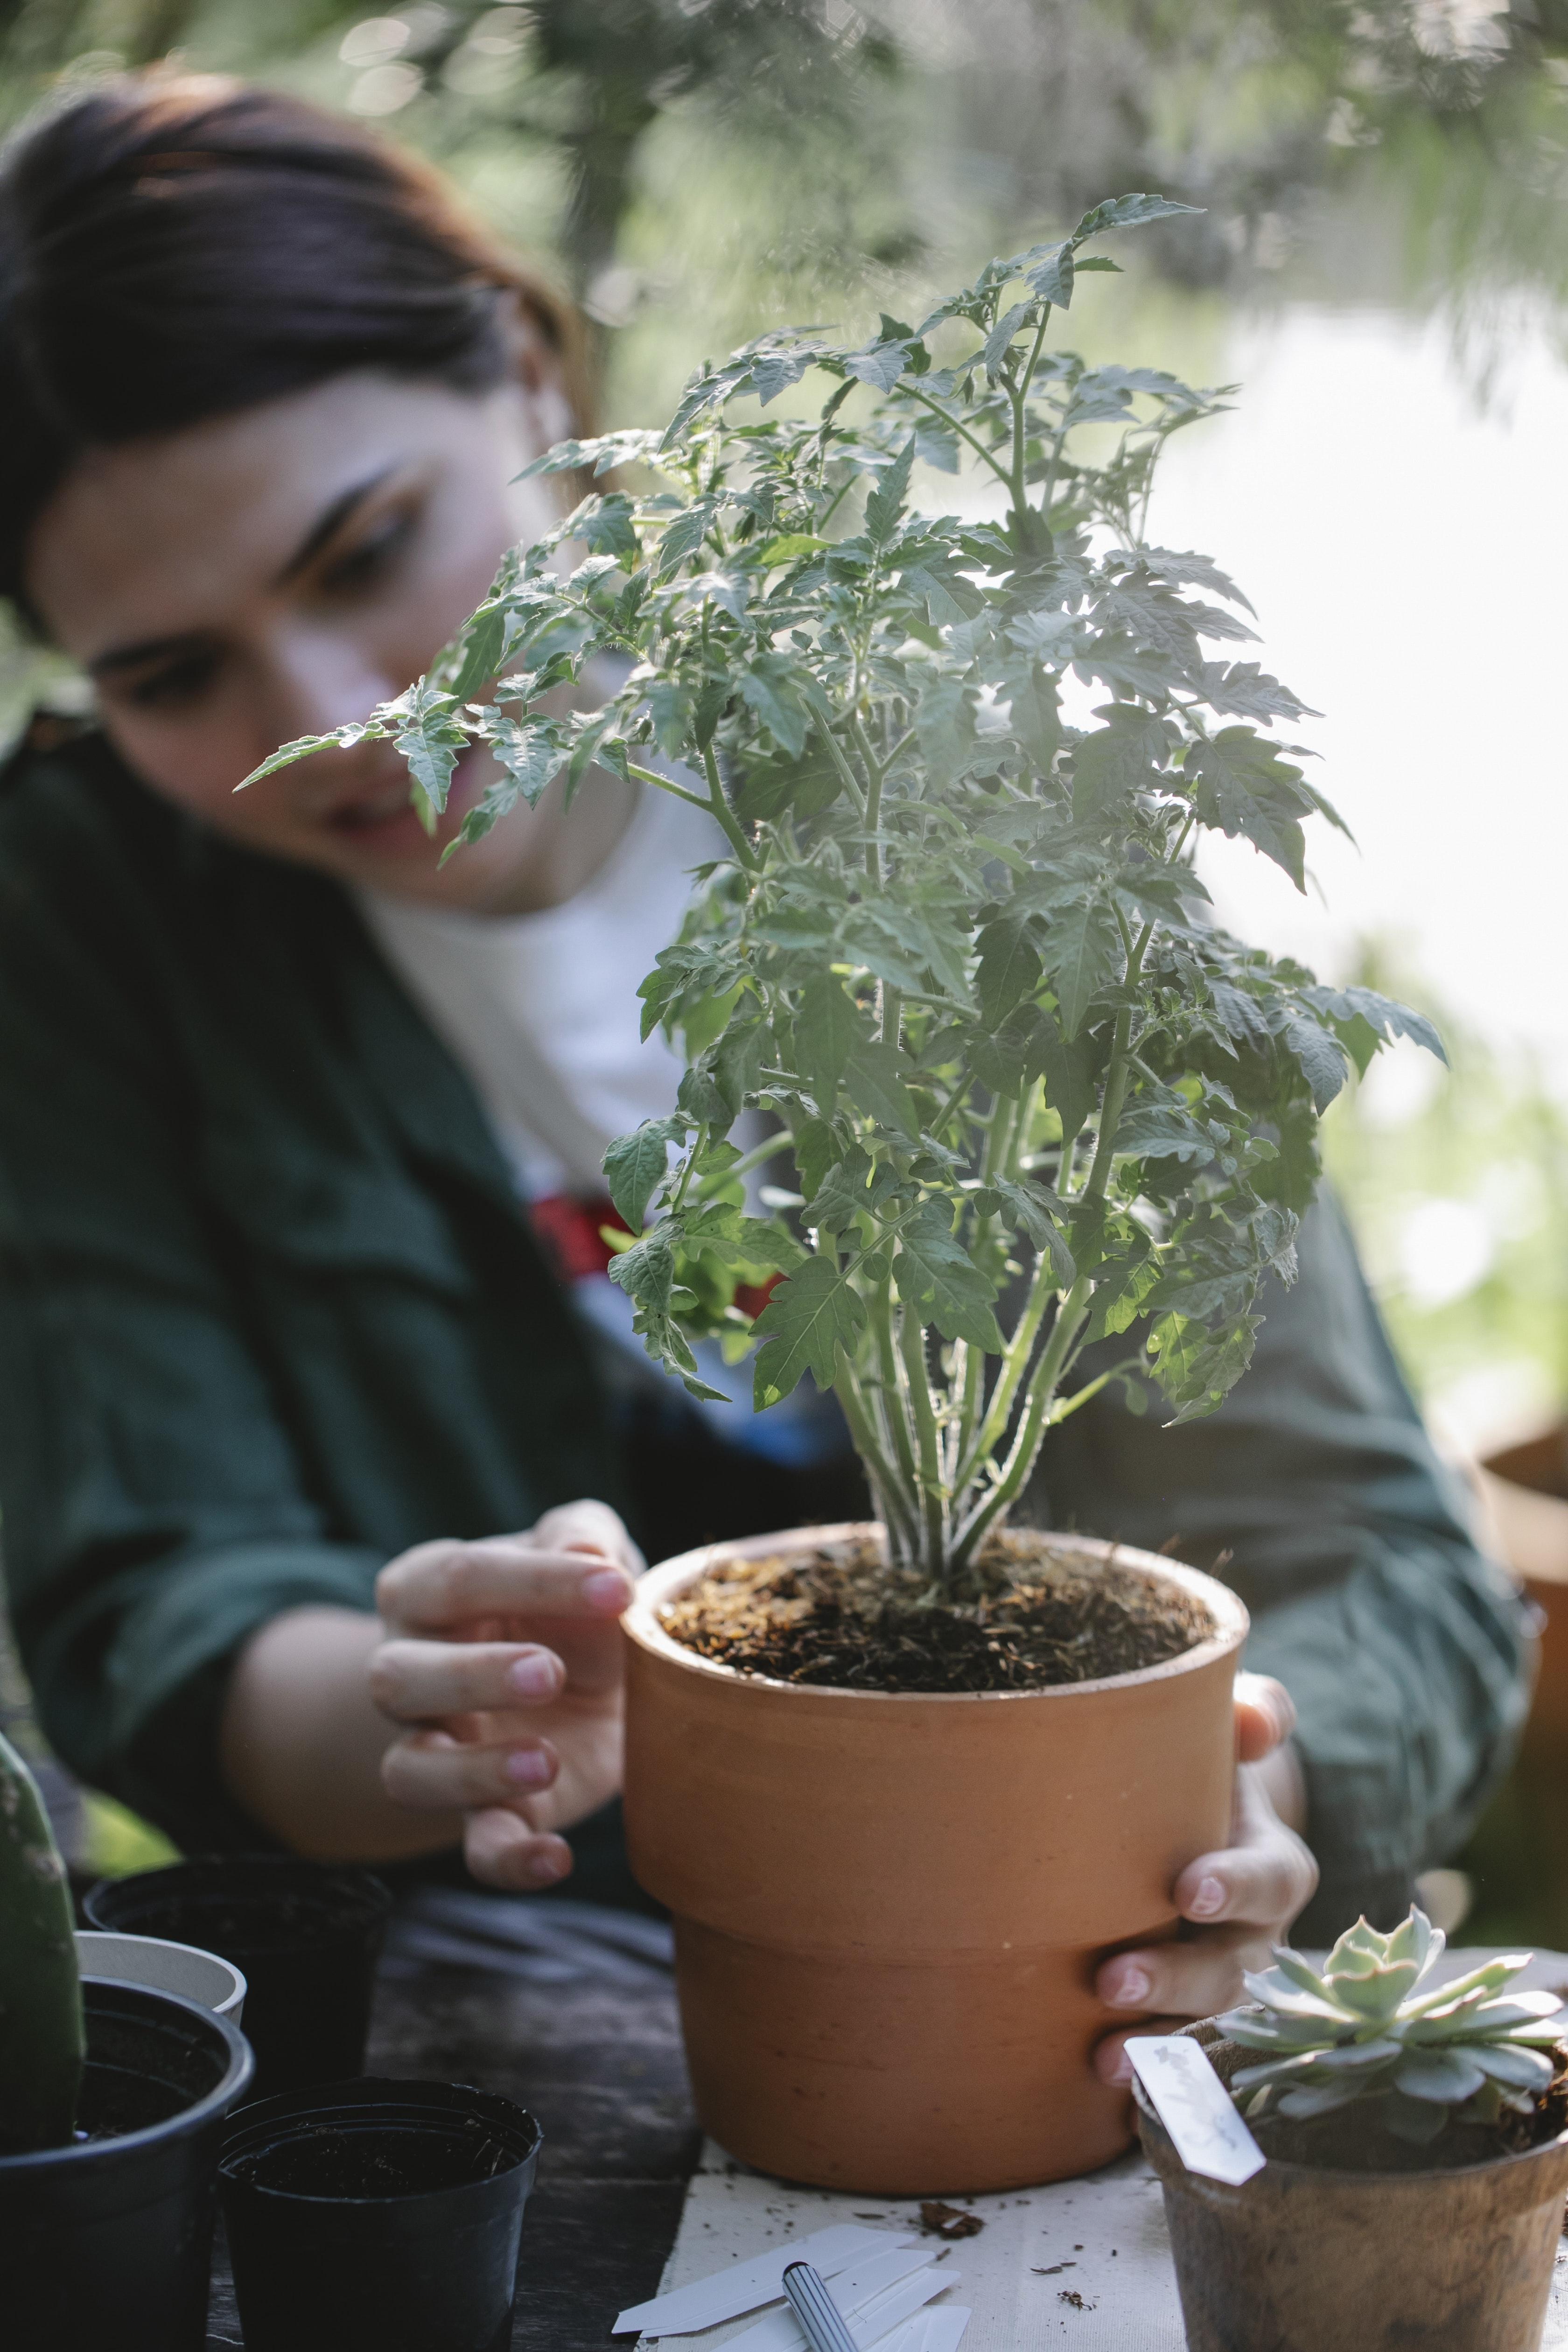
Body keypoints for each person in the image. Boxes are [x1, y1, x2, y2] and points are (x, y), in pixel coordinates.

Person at [0, 73, 1530, 2086]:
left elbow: (1381, 1568)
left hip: (1065, 2000)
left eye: (369, 550)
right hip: (482, 2054)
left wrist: (1254, 1792)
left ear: (533, 377)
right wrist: (439, 1707)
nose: (343, 720)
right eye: (173, 677)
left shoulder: (983, 786)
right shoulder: (90, 909)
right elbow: (155, 1591)